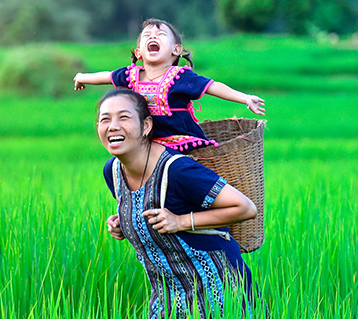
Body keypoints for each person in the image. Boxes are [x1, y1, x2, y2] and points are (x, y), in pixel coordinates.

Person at [97, 88, 259, 318]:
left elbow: (245, 207)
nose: (113, 126)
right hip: (168, 295)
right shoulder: (112, 171)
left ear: (146, 126)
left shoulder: (178, 170)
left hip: (219, 289)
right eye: (105, 119)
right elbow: (146, 208)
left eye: (124, 117)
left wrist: (180, 221)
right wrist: (124, 222)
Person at [75, 18, 265, 152]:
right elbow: (106, 76)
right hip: (146, 143)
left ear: (176, 50)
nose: (153, 37)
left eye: (160, 34)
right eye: (147, 35)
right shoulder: (131, 75)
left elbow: (213, 86)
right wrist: (82, 77)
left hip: (180, 142)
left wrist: (245, 98)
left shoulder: (180, 77)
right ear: (139, 52)